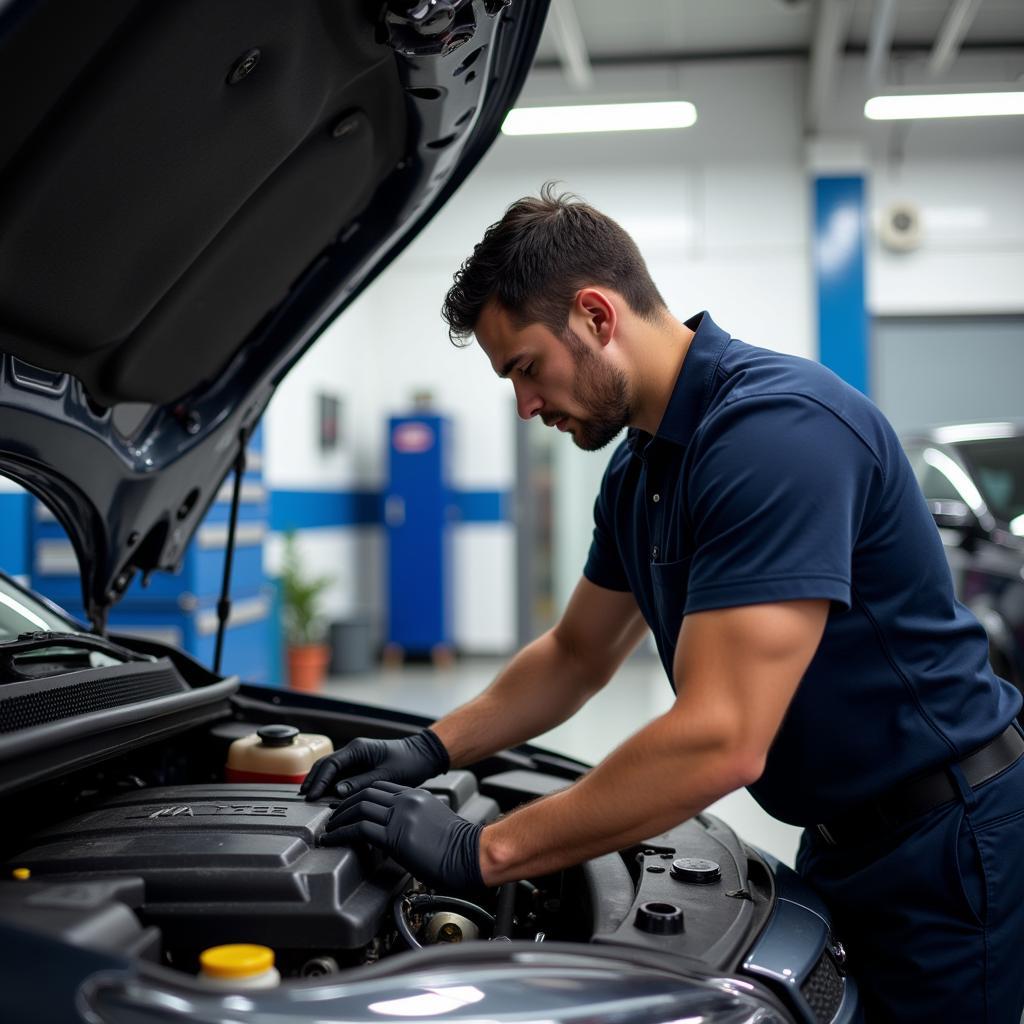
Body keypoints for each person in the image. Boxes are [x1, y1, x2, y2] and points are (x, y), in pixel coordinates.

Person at [301, 185, 1024, 1023]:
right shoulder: (641, 469)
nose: (525, 406)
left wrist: (485, 849)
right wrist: (428, 749)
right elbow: (576, 655)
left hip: (948, 848)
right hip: (842, 839)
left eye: (526, 368)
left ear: (597, 316)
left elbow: (721, 738)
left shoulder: (772, 433)